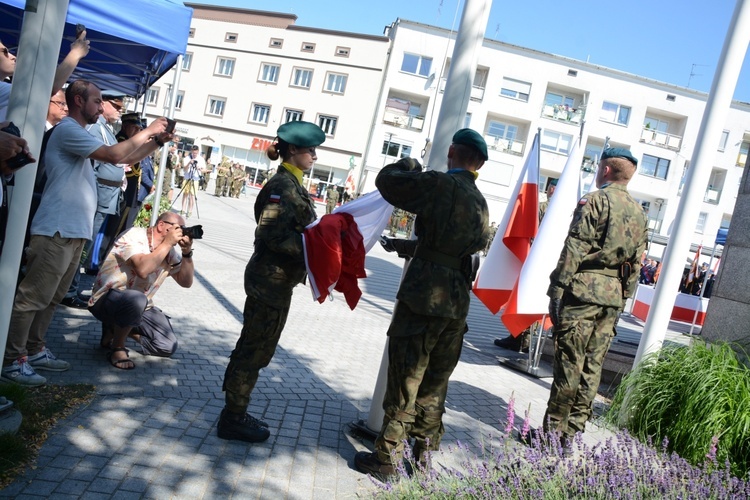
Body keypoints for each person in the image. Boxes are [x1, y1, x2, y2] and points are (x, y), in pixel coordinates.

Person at [0, 80, 171, 387]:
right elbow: (112, 155)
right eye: (97, 100)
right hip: (56, 228)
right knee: (32, 298)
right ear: (79, 100)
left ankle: (35, 349)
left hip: (71, 230)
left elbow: (125, 159)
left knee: (51, 298)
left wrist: (156, 142)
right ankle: (12, 360)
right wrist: (147, 132)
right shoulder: (68, 130)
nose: (101, 105)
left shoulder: (80, 133)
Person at [354, 129, 490, 478]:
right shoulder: (480, 202)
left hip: (424, 298)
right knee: (434, 384)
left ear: (452, 151)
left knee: (406, 379)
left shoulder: (439, 184)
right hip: (457, 302)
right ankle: (422, 458)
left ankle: (385, 460)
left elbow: (388, 181)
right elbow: (454, 248)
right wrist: (413, 248)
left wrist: (408, 163)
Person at [217, 120, 325, 443]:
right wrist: (310, 250)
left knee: (261, 347)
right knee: (254, 347)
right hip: (269, 281)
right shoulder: (281, 187)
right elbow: (270, 232)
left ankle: (235, 410)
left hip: (278, 282)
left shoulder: (293, 184)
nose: (314, 156)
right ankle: (233, 416)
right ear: (293, 150)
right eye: (310, 150)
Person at [535, 147, 647, 447]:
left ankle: (551, 436)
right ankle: (571, 433)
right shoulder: (639, 212)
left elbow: (575, 247)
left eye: (599, 167)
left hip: (583, 291)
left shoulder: (595, 201)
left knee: (569, 362)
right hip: (611, 299)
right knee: (592, 366)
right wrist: (623, 298)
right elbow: (637, 263)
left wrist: (557, 288)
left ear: (606, 170)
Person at [90, 212, 194, 369]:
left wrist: (187, 253)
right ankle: (118, 347)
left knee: (167, 345)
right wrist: (167, 244)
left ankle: (115, 329)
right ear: (161, 226)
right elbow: (143, 270)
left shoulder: (169, 252)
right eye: (179, 228)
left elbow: (186, 282)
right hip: (107, 300)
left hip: (140, 306)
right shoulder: (134, 235)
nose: (181, 232)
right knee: (136, 299)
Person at [494, 178, 558, 353]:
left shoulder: (543, 208)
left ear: (551, 190)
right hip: (553, 263)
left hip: (535, 260)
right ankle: (525, 339)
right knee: (538, 299)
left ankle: (520, 339)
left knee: (526, 296)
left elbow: (528, 231)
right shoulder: (568, 212)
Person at [181, 145, 204, 218]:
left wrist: (199, 168)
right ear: (191, 151)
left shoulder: (201, 159)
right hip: (187, 177)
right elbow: (184, 168)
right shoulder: (187, 158)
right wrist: (189, 163)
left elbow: (204, 170)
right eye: (193, 153)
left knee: (192, 195)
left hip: (195, 179)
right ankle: (183, 209)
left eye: (196, 153)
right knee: (185, 194)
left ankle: (190, 211)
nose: (194, 155)